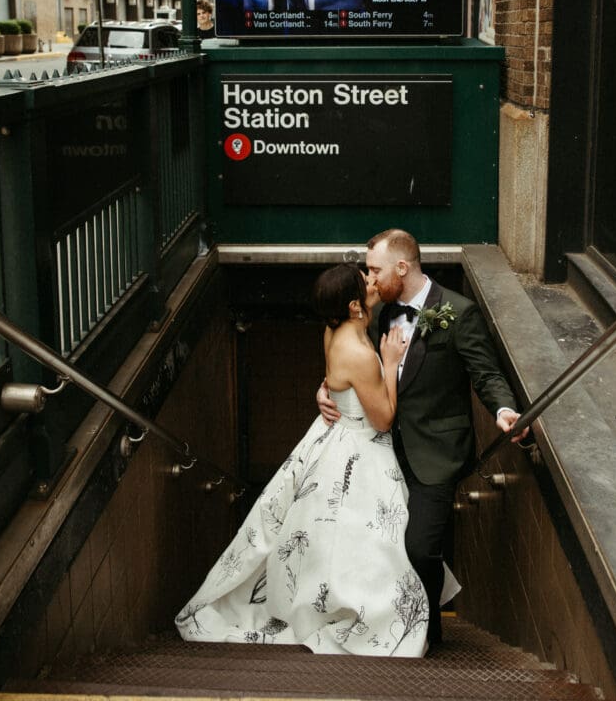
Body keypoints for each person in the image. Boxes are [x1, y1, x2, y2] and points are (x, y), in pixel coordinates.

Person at [176, 263, 459, 656]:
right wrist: (391, 363)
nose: (371, 280)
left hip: (330, 438)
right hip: (359, 451)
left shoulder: (333, 329)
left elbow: (333, 381)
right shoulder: (361, 351)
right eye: (365, 281)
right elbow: (382, 419)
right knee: (369, 540)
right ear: (355, 306)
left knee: (335, 538)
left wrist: (325, 390)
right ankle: (369, 620)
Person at [317, 230, 528, 647]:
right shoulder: (377, 312)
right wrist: (325, 389)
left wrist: (504, 411)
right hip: (379, 451)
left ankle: (426, 633)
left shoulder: (460, 312)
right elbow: (347, 356)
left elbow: (485, 374)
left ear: (403, 267)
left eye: (375, 270)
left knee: (419, 548)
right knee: (373, 546)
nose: (369, 280)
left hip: (435, 453)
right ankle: (384, 629)